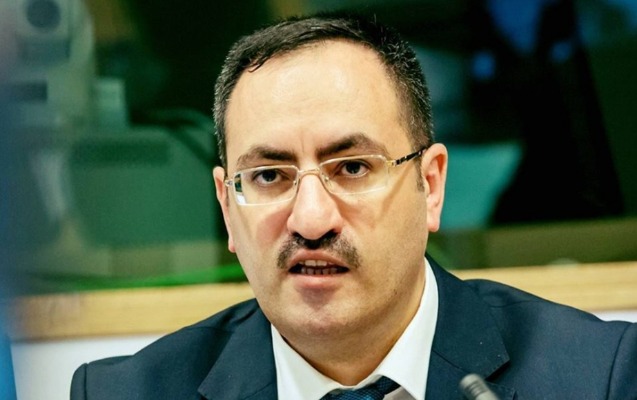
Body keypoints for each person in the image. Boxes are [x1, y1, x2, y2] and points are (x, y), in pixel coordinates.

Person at [71, 13, 637, 400]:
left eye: (352, 168)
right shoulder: (125, 393)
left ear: (431, 184)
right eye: (268, 176)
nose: (311, 220)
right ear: (227, 208)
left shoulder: (597, 377)